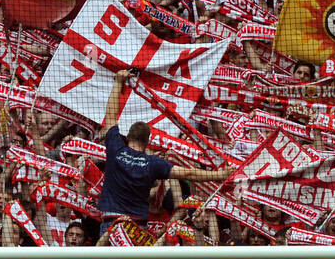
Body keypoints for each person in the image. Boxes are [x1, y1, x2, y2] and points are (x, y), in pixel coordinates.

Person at [95, 68, 232, 238]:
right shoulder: (153, 163)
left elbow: (110, 116)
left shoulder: (115, 147)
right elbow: (189, 173)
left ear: (128, 136)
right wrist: (220, 175)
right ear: (147, 142)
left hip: (111, 225)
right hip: (137, 229)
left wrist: (118, 82)